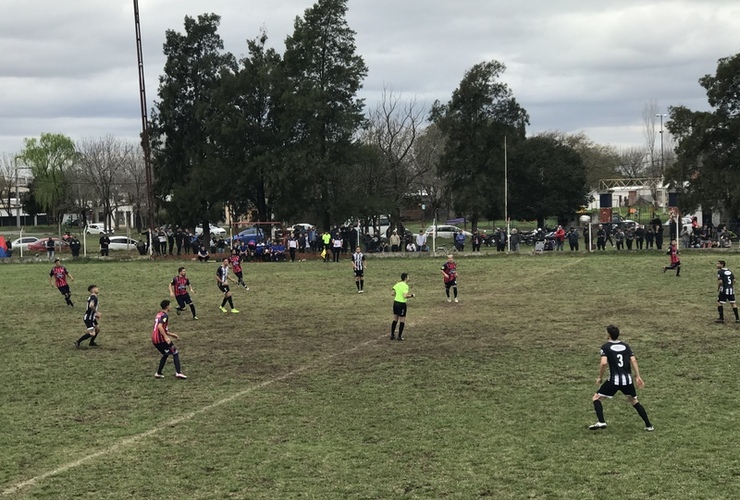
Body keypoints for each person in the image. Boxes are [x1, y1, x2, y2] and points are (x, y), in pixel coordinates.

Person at [589, 324, 654, 432]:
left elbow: (604, 363)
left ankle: (601, 421)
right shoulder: (626, 346)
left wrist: (599, 377)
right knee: (634, 401)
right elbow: (633, 360)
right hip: (627, 381)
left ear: (609, 335)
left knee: (596, 398)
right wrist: (638, 376)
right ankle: (649, 425)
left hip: (614, 381)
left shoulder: (605, 347)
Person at [152, 299, 187, 379]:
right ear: (167, 306)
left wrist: (172, 335)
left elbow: (161, 328)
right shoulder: (165, 315)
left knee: (166, 354)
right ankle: (178, 372)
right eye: (170, 305)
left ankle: (158, 373)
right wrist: (166, 337)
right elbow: (160, 327)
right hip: (160, 339)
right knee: (175, 352)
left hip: (154, 339)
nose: (171, 307)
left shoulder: (159, 314)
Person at [390, 273, 414, 341]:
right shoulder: (405, 286)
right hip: (402, 304)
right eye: (408, 277)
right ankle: (399, 336)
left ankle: (392, 335)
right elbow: (405, 296)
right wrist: (412, 295)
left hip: (395, 303)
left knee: (395, 319)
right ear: (406, 278)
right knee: (402, 320)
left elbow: (392, 293)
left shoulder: (397, 284)